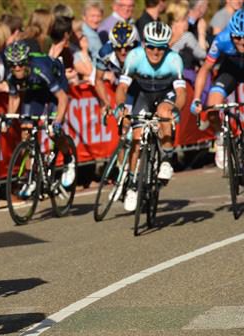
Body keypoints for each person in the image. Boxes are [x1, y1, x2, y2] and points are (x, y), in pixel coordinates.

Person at [191, 9, 244, 206]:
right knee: (212, 107)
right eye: (237, 39)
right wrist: (197, 99)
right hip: (229, 72)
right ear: (231, 35)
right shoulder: (222, 39)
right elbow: (205, 68)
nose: (241, 43)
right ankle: (221, 139)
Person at [114, 21, 186, 212]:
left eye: (161, 47)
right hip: (144, 95)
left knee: (164, 114)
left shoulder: (174, 59)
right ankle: (132, 184)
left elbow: (181, 93)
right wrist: (121, 106)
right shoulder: (134, 56)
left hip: (166, 95)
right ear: (145, 44)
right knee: (136, 138)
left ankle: (167, 160)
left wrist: (177, 109)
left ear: (167, 46)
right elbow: (122, 87)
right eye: (151, 46)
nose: (155, 52)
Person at [3, 40, 76, 197]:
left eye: (20, 64)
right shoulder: (10, 75)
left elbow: (62, 99)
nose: (17, 68)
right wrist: (9, 118)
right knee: (26, 133)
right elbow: (14, 98)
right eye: (13, 65)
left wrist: (57, 122)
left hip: (55, 87)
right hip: (34, 90)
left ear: (27, 62)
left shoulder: (41, 69)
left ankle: (69, 159)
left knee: (52, 132)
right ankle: (31, 178)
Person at [95, 22, 139, 111]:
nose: (123, 52)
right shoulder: (105, 53)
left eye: (127, 48)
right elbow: (98, 80)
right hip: (124, 85)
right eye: (118, 48)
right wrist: (106, 103)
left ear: (133, 45)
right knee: (124, 118)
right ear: (113, 46)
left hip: (142, 84)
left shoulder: (140, 51)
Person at [167, 0, 206, 81]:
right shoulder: (187, 36)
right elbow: (203, 55)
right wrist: (201, 33)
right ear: (182, 18)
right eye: (187, 18)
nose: (188, 21)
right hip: (185, 79)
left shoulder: (164, 32)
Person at [81, 0, 103, 66]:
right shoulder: (84, 35)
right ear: (84, 17)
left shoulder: (93, 32)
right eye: (92, 16)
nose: (96, 20)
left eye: (99, 16)